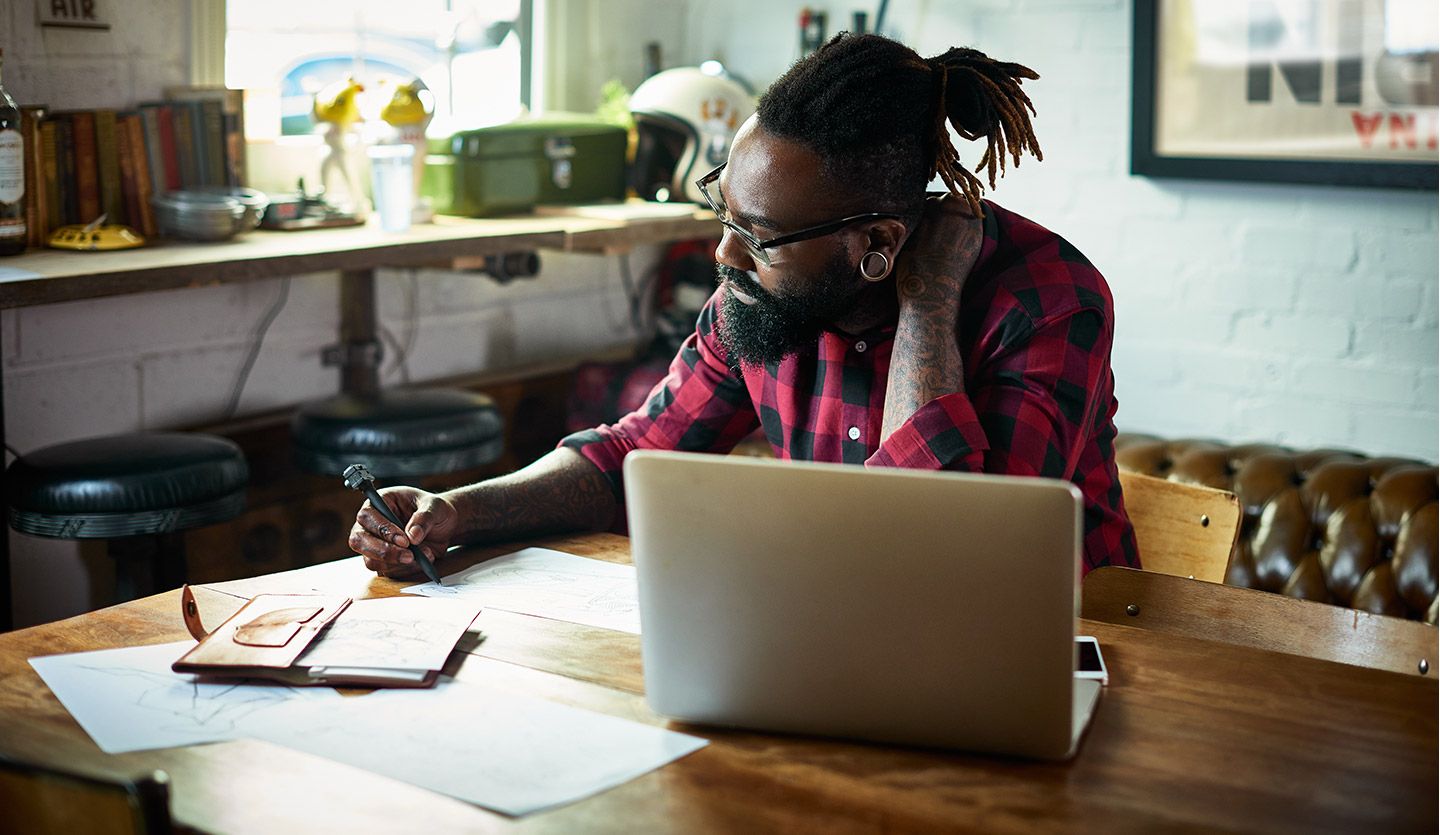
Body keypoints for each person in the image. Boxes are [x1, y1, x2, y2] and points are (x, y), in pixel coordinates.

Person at [351, 33, 1140, 577]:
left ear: (878, 243)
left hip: (1067, 653)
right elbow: (636, 455)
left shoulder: (1048, 300)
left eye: (760, 236)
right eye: (723, 213)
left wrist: (928, 304)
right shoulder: (757, 300)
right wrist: (457, 511)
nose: (725, 255)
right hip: (842, 636)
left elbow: (957, 553)